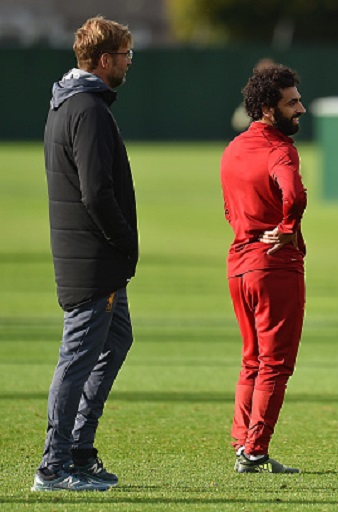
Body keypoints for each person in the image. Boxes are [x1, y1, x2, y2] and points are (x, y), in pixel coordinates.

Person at [34, 16, 138, 492]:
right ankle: (54, 468)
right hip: (93, 259)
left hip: (88, 256)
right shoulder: (88, 110)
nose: (129, 63)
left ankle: (79, 449)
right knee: (77, 358)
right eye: (125, 55)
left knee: (115, 342)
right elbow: (96, 193)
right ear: (103, 60)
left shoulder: (67, 103)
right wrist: (124, 242)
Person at [220, 64, 307, 475]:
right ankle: (255, 450)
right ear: (269, 109)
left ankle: (243, 441)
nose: (301, 109)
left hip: (239, 264)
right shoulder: (280, 149)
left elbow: (228, 209)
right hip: (274, 267)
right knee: (275, 363)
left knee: (251, 359)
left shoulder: (234, 148)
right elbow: (293, 193)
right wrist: (287, 228)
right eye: (292, 102)